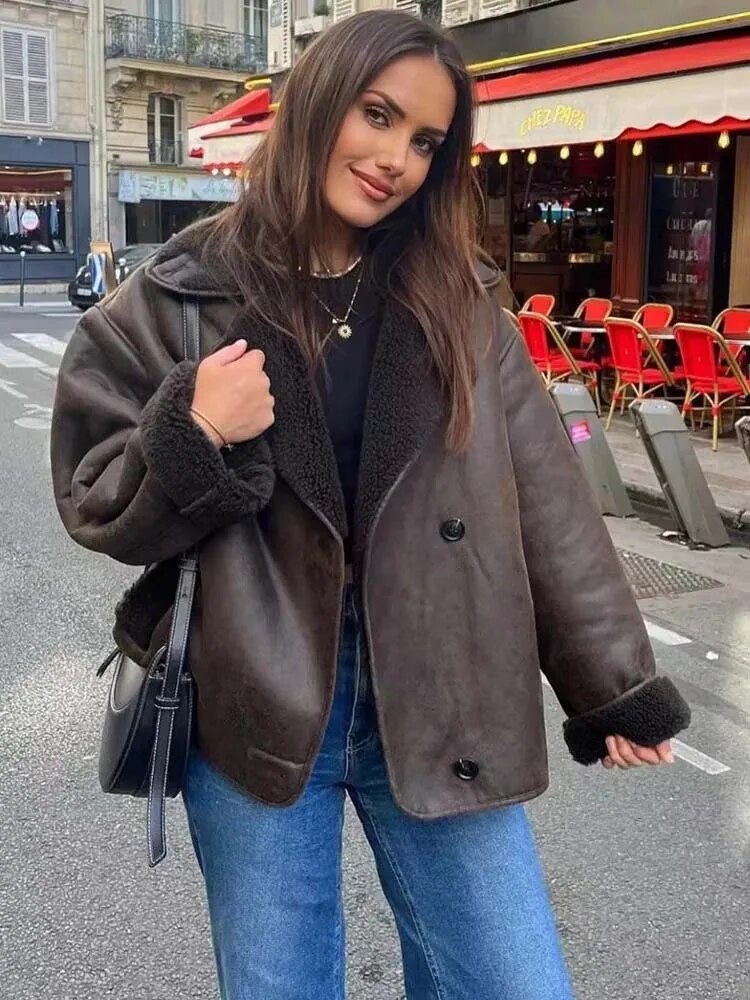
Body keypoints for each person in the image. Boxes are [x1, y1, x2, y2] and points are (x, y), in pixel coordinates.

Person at [50, 11, 690, 1000]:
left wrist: (614, 683)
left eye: (426, 140)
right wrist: (194, 428)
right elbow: (94, 494)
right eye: (378, 114)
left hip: (445, 688)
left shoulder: (456, 297)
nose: (396, 157)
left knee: (517, 981)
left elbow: (549, 499)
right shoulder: (182, 291)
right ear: (317, 102)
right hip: (258, 695)